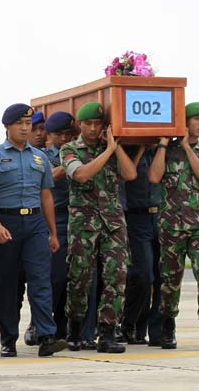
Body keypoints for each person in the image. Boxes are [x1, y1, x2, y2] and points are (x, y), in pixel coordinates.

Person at [0, 104, 66, 357]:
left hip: (35, 225)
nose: (25, 128)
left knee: (41, 281)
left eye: (28, 123)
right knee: (7, 285)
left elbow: (46, 195)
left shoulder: (39, 157)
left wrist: (52, 232)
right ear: (7, 126)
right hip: (6, 223)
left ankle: (46, 335)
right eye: (20, 124)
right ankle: (8, 340)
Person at [147, 102, 199, 351]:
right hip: (170, 225)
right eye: (198, 119)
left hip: (198, 225)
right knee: (170, 281)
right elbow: (153, 177)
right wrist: (164, 144)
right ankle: (168, 329)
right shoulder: (166, 151)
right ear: (186, 121)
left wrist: (185, 146)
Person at [61, 102, 136, 353]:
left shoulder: (111, 148)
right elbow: (81, 175)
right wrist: (108, 152)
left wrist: (115, 148)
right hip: (84, 223)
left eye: (98, 124)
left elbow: (130, 174)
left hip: (113, 222)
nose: (93, 129)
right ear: (80, 125)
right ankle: (75, 328)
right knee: (80, 277)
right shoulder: (70, 149)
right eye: (88, 124)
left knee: (117, 276)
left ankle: (107, 332)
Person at [119, 144, 162, 346]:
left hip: (162, 217)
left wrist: (161, 144)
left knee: (162, 277)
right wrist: (141, 149)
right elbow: (128, 174)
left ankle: (154, 331)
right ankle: (130, 324)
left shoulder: (166, 151)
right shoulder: (128, 151)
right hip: (137, 218)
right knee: (143, 276)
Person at [42, 111, 76, 340]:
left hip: (80, 218)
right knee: (56, 277)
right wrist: (70, 164)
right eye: (58, 135)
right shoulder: (42, 156)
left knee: (77, 278)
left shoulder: (81, 152)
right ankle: (43, 323)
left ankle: (64, 326)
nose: (63, 139)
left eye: (67, 134)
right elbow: (48, 178)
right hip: (56, 219)